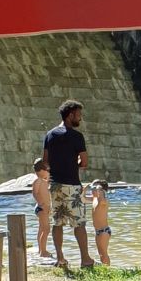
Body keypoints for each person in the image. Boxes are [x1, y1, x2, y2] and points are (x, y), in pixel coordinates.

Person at [42, 100, 95, 270]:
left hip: (55, 185)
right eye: (78, 115)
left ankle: (60, 258)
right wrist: (74, 164)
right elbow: (84, 162)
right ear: (70, 115)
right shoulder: (77, 136)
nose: (80, 118)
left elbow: (45, 161)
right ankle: (85, 259)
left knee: (58, 223)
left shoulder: (50, 135)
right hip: (72, 185)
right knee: (79, 224)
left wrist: (58, 167)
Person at [31, 157, 51, 260]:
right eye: (47, 170)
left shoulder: (43, 180)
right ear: (42, 170)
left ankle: (41, 249)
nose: (48, 171)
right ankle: (43, 251)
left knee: (41, 228)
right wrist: (41, 203)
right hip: (41, 208)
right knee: (46, 229)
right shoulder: (37, 181)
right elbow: (35, 193)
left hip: (43, 208)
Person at [89, 179, 111, 266]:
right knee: (101, 254)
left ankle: (108, 269)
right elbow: (82, 199)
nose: (93, 189)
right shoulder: (94, 199)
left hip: (104, 231)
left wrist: (99, 190)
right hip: (98, 231)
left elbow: (102, 200)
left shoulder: (103, 201)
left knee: (104, 254)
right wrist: (83, 190)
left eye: (95, 188)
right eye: (92, 188)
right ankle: (105, 269)